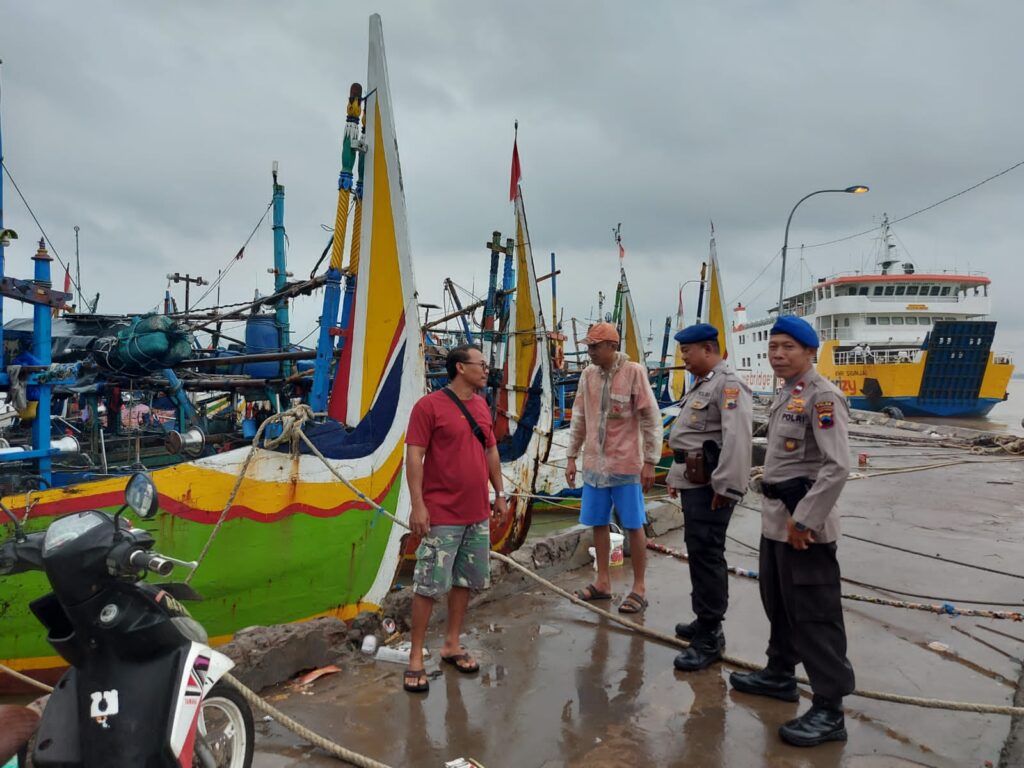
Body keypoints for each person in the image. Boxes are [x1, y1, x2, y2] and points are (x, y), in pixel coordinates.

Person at [728, 315, 855, 747]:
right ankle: (780, 674)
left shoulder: (823, 398)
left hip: (804, 525)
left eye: (788, 348)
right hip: (778, 521)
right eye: (773, 347)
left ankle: (829, 709)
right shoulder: (789, 393)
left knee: (814, 616)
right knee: (778, 604)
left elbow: (837, 467)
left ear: (809, 352)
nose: (778, 355)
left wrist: (806, 520)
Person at [403, 344, 507, 693]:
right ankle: (416, 656)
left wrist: (500, 493)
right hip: (442, 513)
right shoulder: (428, 407)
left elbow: (490, 449)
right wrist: (419, 506)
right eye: (481, 364)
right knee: (428, 585)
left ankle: (451, 643)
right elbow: (414, 457)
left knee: (465, 581)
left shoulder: (481, 406)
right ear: (461, 368)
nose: (486, 369)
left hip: (476, 512)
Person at [666, 323, 752, 671]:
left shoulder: (728, 384)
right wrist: (676, 477)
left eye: (687, 351)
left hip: (711, 487)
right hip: (695, 482)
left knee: (707, 554)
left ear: (706, 349)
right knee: (699, 553)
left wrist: (727, 487)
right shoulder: (706, 383)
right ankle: (703, 622)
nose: (683, 358)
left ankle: (711, 636)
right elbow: (691, 439)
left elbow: (737, 439)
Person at [565, 322, 661, 615]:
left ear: (611, 346)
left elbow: (650, 419)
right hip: (595, 465)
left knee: (633, 524)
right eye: (589, 347)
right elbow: (579, 418)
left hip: (626, 465)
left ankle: (639, 587)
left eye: (594, 346)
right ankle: (603, 582)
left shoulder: (634, 373)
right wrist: (571, 457)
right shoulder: (587, 376)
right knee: (598, 522)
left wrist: (650, 461)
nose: (590, 352)